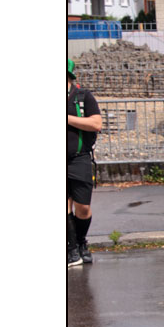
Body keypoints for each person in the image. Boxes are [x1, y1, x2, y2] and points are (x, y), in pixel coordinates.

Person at [67, 58, 102, 267]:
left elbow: (96, 123)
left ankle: (80, 242)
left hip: (79, 158)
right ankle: (71, 249)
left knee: (83, 208)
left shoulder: (83, 97)